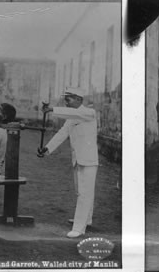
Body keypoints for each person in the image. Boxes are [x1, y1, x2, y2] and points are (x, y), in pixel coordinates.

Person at [40, 87, 98, 238]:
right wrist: (47, 149)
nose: (66, 103)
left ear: (79, 100)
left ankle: (79, 228)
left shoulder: (89, 112)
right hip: (77, 158)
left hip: (89, 160)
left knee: (84, 194)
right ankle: (87, 219)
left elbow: (75, 113)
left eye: (69, 99)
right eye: (65, 100)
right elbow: (62, 134)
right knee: (82, 191)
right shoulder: (71, 118)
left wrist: (52, 109)